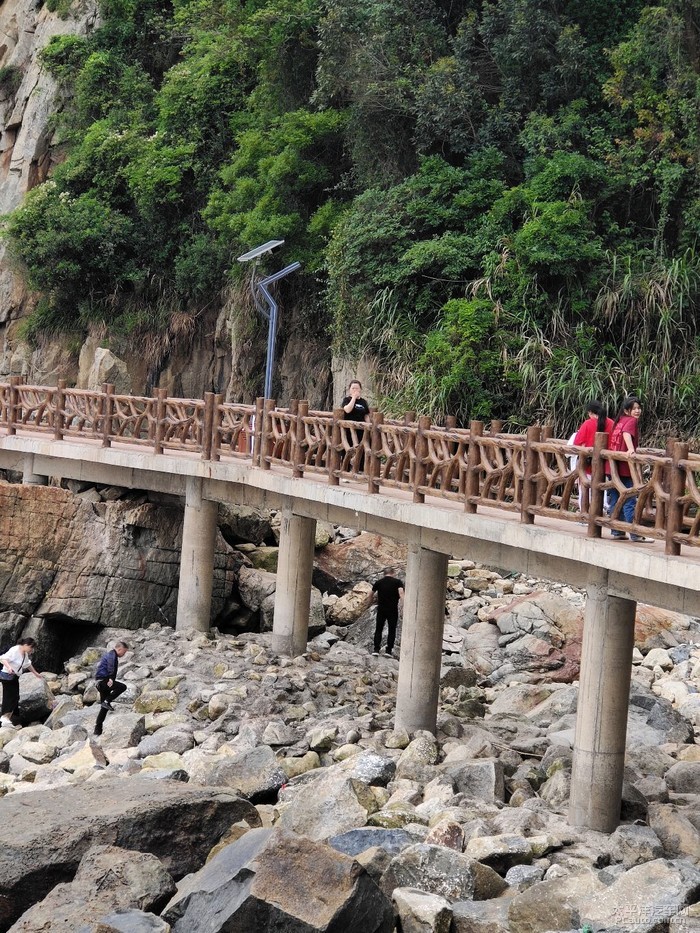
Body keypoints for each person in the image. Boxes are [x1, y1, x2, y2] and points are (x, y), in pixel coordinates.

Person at [607, 397, 651, 542]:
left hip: (612, 466)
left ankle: (617, 531)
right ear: (627, 410)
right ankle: (634, 533)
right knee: (630, 499)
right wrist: (631, 449)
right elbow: (627, 434)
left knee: (615, 498)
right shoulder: (631, 421)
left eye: (639, 408)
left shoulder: (619, 421)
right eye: (634, 408)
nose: (637, 411)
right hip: (623, 467)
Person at [573, 401, 614, 513]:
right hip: (606, 463)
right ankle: (603, 511)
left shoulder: (587, 423)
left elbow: (577, 443)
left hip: (587, 462)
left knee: (585, 488)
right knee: (602, 487)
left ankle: (585, 514)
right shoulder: (611, 423)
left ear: (590, 412)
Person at [0, 637, 45, 727]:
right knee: (10, 696)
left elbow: (28, 664)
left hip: (14, 676)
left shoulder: (24, 654)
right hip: (7, 676)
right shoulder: (14, 650)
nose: (32, 650)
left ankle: (11, 718)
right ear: (25, 645)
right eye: (31, 648)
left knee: (16, 696)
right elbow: (3, 659)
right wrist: (9, 667)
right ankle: (4, 717)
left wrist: (36, 673)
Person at [93, 641, 129, 736]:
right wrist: (111, 678)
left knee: (104, 707)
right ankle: (107, 701)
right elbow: (111, 667)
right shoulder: (112, 655)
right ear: (119, 649)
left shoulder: (110, 655)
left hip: (99, 682)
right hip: (103, 681)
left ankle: (98, 730)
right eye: (124, 652)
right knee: (122, 687)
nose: (124, 654)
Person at [369, 568, 405, 657]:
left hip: (381, 609)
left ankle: (376, 649)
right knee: (392, 630)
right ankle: (388, 651)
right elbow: (401, 593)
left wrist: (369, 603)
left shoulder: (379, 582)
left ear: (384, 574)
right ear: (393, 573)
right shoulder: (398, 582)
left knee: (378, 629)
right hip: (392, 609)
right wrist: (403, 605)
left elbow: (370, 594)